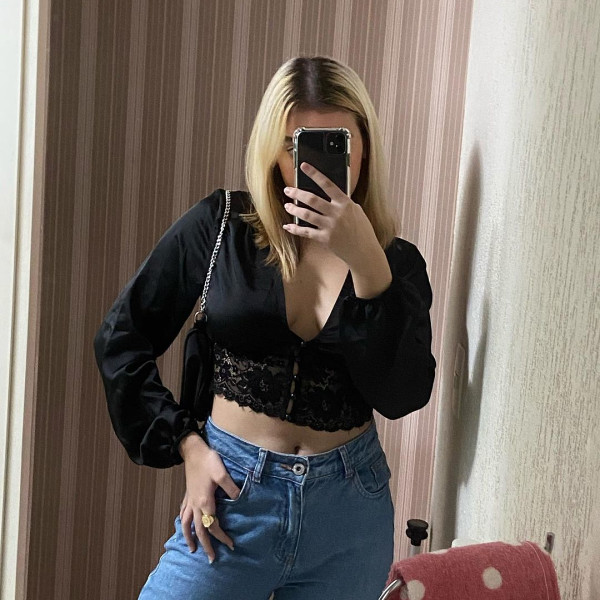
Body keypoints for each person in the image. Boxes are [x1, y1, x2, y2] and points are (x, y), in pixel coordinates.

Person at [94, 55, 436, 600]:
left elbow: (404, 395)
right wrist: (188, 445)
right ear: (271, 151)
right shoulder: (221, 227)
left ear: (365, 149)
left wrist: (370, 267)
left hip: (350, 513)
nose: (313, 165)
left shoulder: (396, 263)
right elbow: (121, 337)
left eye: (336, 143)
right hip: (233, 497)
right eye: (296, 144)